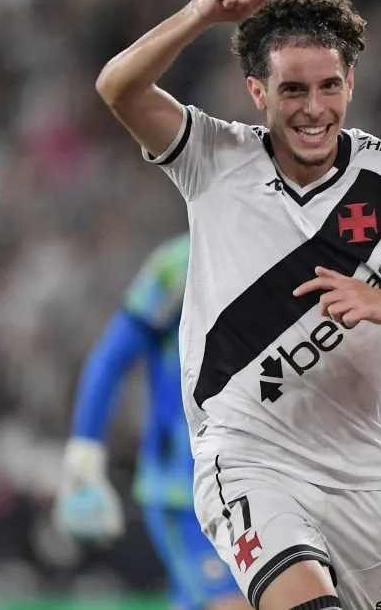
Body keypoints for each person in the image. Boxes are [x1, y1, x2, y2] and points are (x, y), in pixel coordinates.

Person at [94, 0, 381, 610]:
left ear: (350, 83)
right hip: (246, 457)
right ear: (256, 90)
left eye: (328, 86)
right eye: (291, 89)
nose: (313, 109)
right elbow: (118, 88)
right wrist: (201, 12)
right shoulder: (213, 158)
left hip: (363, 478)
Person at [53, 234, 249, 610]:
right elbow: (110, 358)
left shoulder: (292, 247)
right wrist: (85, 457)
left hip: (258, 481)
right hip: (185, 487)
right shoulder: (181, 264)